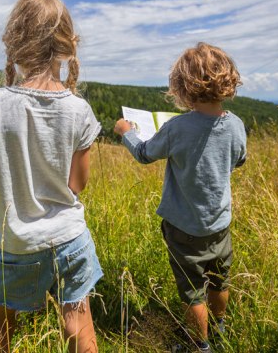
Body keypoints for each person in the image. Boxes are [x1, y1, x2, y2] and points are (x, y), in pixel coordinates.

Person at [0, 0, 103, 353]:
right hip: (71, 238)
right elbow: (77, 185)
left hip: (18, 244)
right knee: (78, 326)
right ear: (66, 45)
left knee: (0, 326)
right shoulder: (80, 110)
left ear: (14, 40)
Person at [113, 42, 246, 353]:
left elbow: (145, 154)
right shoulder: (236, 124)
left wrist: (126, 132)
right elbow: (239, 160)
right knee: (218, 280)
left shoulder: (177, 127)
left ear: (183, 86)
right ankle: (219, 327)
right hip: (220, 223)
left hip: (184, 228)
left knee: (192, 292)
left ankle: (199, 345)